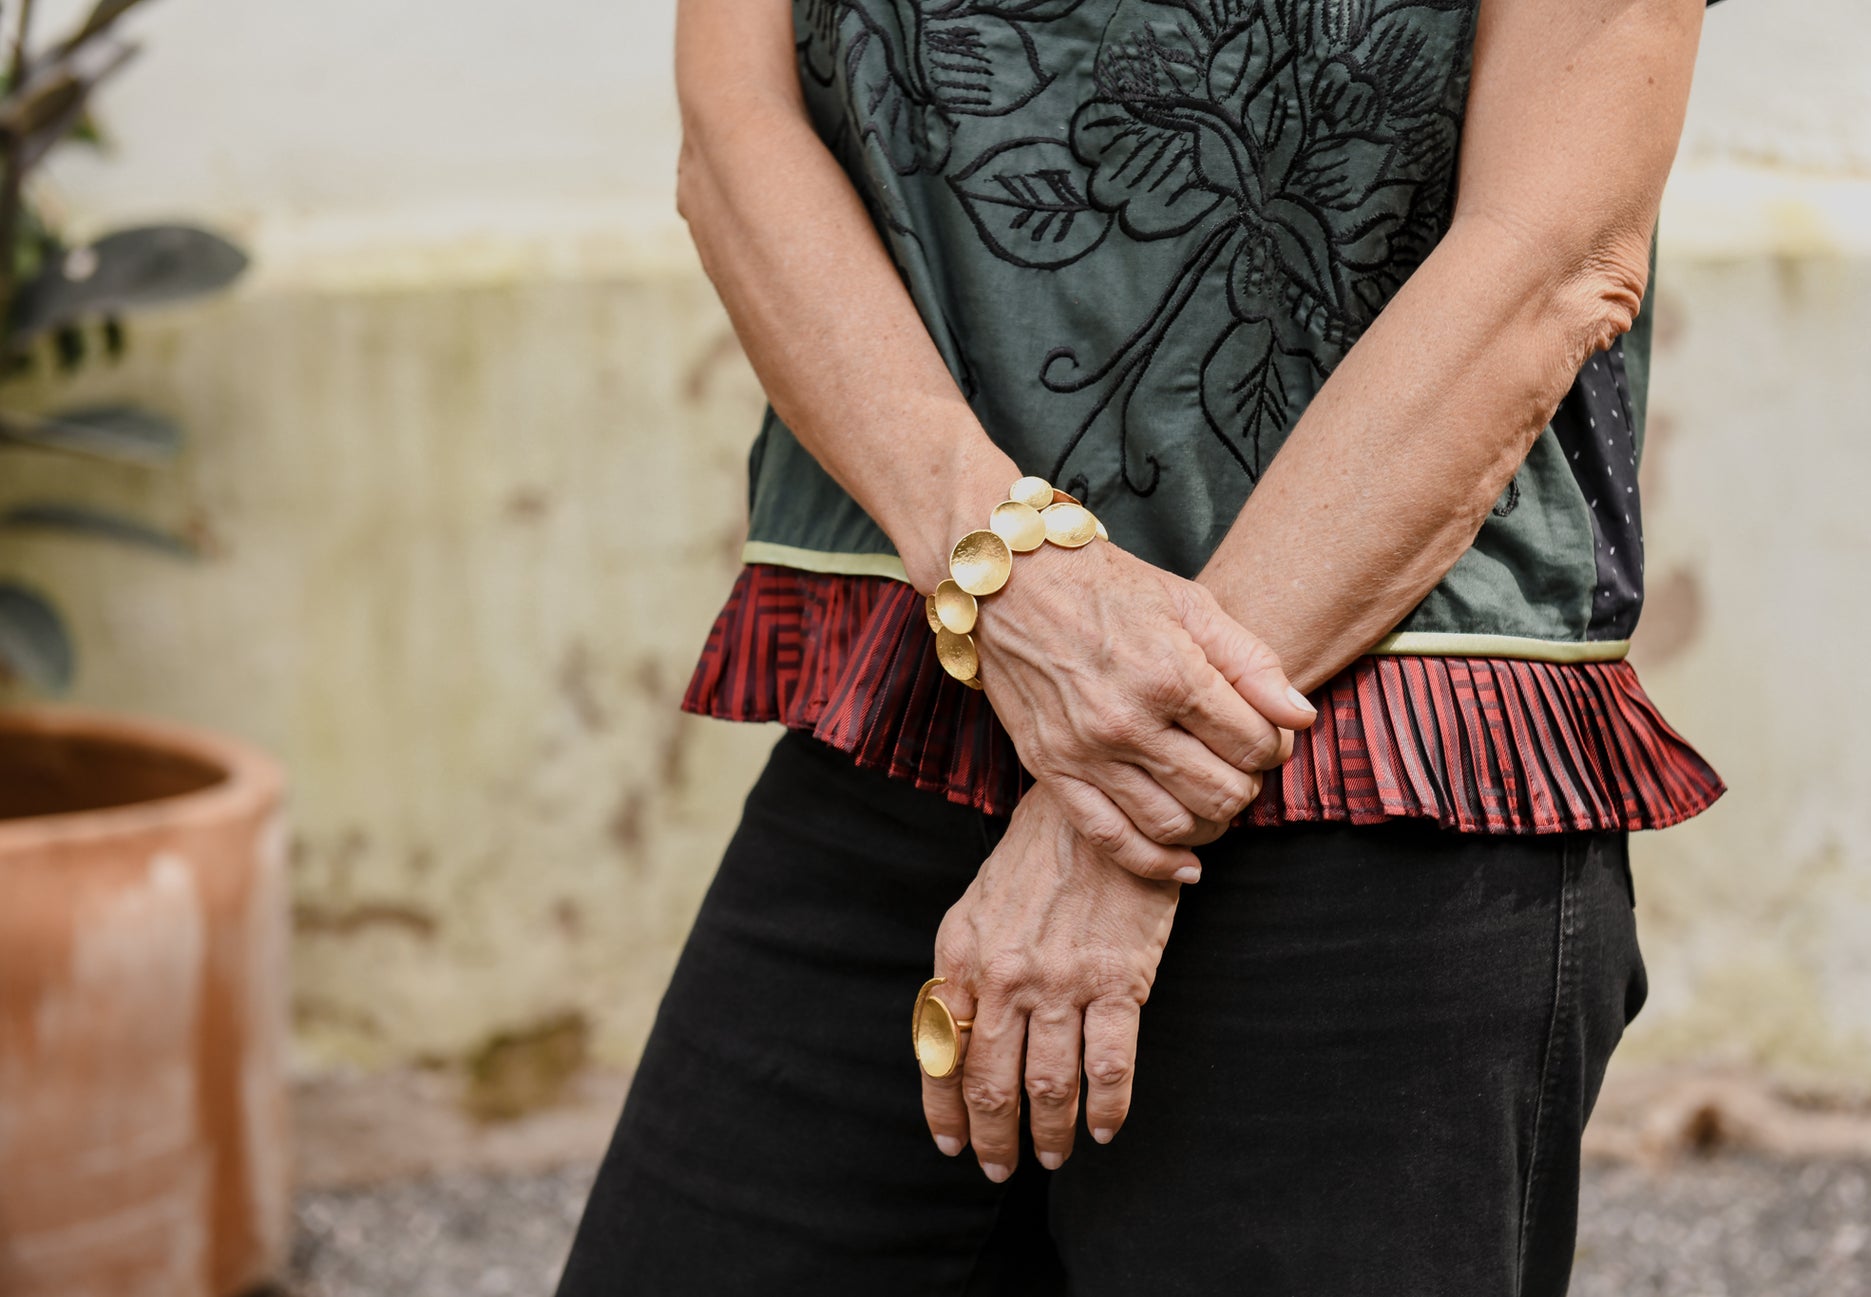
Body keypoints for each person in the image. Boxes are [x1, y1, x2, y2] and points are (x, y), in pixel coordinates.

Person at [558, 0, 1727, 1292]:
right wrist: (998, 569)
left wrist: (1113, 776)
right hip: (916, 680)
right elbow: (735, 130)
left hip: (1378, 747)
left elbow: (1550, 251)